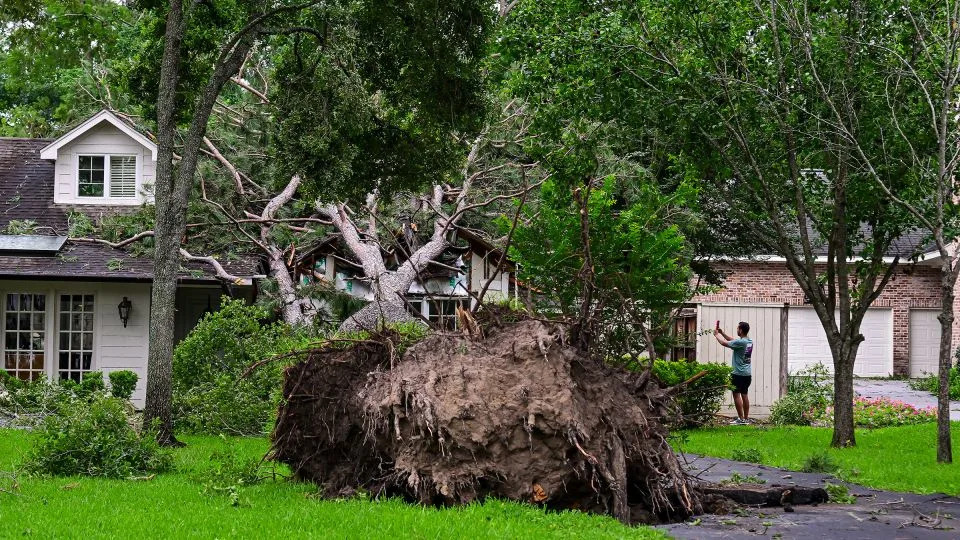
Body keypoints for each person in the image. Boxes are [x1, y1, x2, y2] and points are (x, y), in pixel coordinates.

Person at [714, 321, 753, 425]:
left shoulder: (740, 343)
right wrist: (722, 333)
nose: (737, 330)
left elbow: (724, 343)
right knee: (745, 395)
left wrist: (716, 335)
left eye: (737, 328)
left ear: (740, 330)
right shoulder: (749, 341)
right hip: (747, 374)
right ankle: (745, 419)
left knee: (736, 395)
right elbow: (733, 340)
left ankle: (740, 419)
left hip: (738, 374)